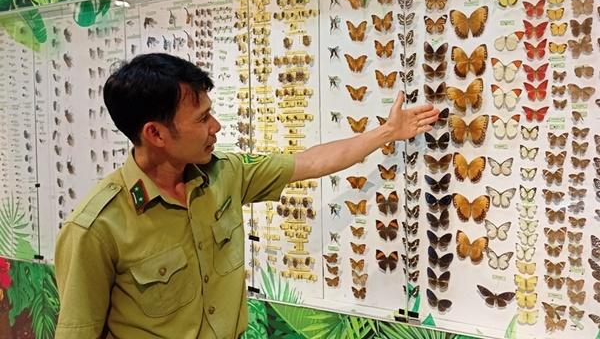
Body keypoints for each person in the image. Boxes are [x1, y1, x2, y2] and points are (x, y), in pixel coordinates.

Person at [54, 53, 438, 339]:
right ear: (155, 134)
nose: (216, 127)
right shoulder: (96, 229)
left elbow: (309, 163)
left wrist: (387, 133)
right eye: (202, 119)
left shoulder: (225, 174)